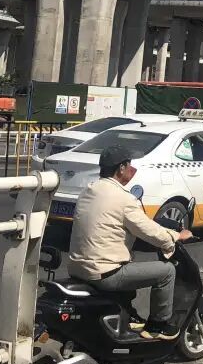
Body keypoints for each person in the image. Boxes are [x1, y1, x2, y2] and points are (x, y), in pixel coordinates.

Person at [68, 144, 194, 339]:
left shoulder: (88, 191)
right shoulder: (123, 198)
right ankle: (159, 326)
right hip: (103, 273)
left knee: (128, 262)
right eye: (129, 165)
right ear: (121, 168)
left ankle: (128, 314)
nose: (131, 169)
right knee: (167, 271)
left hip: (77, 268)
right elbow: (148, 230)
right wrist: (176, 236)